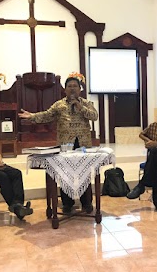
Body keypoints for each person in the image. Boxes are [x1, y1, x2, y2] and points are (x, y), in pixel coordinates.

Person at [18, 75, 98, 214]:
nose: (72, 89)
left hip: (83, 144)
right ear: (65, 90)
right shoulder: (59, 105)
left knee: (84, 173)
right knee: (65, 173)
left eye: (75, 86)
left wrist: (79, 106)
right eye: (69, 86)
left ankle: (86, 203)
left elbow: (94, 116)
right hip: (66, 144)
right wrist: (32, 116)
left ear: (80, 89)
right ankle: (67, 203)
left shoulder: (86, 103)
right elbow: (46, 115)